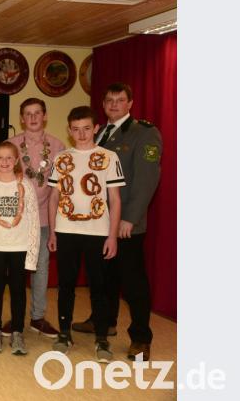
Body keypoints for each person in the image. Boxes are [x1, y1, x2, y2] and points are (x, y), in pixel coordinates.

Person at [72, 82, 162, 361]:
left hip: (125, 224)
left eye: (120, 100)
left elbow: (146, 180)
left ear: (130, 103)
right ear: (103, 104)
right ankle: (104, 321)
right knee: (103, 277)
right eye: (109, 100)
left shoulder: (144, 133)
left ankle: (141, 338)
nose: (114, 105)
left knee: (133, 283)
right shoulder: (99, 133)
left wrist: (130, 218)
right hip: (99, 221)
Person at [47, 106, 124, 363]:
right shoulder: (62, 158)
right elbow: (54, 197)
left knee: (99, 287)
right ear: (69, 131)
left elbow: (115, 199)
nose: (81, 134)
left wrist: (112, 236)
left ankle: (102, 337)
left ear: (96, 128)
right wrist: (53, 232)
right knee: (66, 285)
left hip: (98, 232)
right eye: (76, 129)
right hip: (66, 230)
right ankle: (64, 333)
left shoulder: (108, 157)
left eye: (87, 129)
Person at [2, 98, 65, 338]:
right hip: (17, 220)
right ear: (21, 119)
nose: (33, 118)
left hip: (45, 218)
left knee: (41, 269)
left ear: (45, 116)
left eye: (37, 113)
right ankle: (16, 317)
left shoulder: (58, 146)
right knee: (15, 270)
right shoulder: (11, 145)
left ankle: (38, 317)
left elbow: (61, 187)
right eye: (28, 114)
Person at [0, 142, 39, 355]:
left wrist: (32, 255)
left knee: (18, 290)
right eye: (0, 158)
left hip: (19, 246)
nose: (4, 162)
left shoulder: (26, 186)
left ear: (16, 161)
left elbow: (33, 221)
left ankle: (17, 332)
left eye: (9, 158)